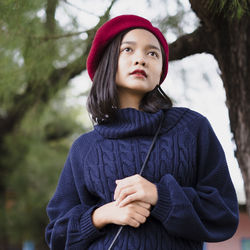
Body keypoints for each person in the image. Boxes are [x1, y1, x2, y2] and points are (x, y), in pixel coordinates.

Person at [45, 15, 239, 250]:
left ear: (160, 71)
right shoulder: (85, 147)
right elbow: (57, 234)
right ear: (108, 62)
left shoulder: (192, 128)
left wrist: (160, 196)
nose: (141, 59)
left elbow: (223, 213)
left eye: (152, 53)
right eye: (128, 50)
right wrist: (101, 215)